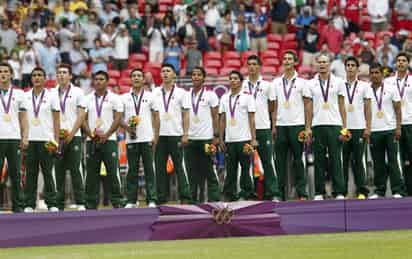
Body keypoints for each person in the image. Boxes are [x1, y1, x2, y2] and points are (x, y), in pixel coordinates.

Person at [305, 54, 346, 200]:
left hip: (335, 125)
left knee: (336, 159)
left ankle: (339, 191)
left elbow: (342, 105)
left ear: (329, 64)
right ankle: (319, 192)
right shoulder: (310, 84)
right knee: (319, 160)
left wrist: (344, 127)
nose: (322, 64)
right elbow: (308, 107)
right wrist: (308, 127)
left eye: (325, 62)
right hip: (317, 125)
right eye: (320, 62)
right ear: (317, 64)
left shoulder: (339, 82)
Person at [82, 71, 124, 209]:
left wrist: (107, 134)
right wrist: (90, 134)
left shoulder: (115, 98)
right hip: (92, 140)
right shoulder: (87, 98)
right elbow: (82, 118)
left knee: (113, 171)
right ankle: (90, 203)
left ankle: (117, 201)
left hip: (110, 140)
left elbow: (118, 118)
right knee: (91, 173)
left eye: (101, 79)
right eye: (96, 79)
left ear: (107, 82)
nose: (98, 81)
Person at [242, 55, 279, 201]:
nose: (251, 67)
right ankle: (247, 193)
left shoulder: (267, 85)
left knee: (268, 162)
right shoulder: (242, 85)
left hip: (263, 127)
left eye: (254, 64)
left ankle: (273, 192)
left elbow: (272, 107)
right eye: (249, 64)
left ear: (259, 67)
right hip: (245, 129)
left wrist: (272, 125)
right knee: (245, 163)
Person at [153, 64, 192, 204]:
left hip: (176, 134)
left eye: (168, 71)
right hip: (159, 135)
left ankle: (185, 197)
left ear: (174, 75)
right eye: (163, 71)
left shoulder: (182, 93)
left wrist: (186, 134)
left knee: (180, 167)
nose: (165, 73)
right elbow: (152, 115)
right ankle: (160, 198)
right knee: (159, 167)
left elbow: (186, 115)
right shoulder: (154, 92)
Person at [272, 51, 308, 201]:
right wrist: (273, 125)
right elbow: (273, 106)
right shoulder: (275, 83)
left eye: (289, 59)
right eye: (284, 58)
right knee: (279, 162)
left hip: (297, 125)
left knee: (299, 160)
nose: (286, 61)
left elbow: (307, 105)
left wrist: (307, 127)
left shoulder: (302, 82)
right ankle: (279, 193)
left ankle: (302, 193)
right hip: (281, 125)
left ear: (295, 62)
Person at [121, 68, 159, 208]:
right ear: (131, 79)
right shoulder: (124, 97)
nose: (136, 78)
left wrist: (156, 136)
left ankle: (152, 199)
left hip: (147, 138)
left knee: (150, 170)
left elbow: (156, 117)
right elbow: (118, 118)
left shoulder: (151, 96)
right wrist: (127, 128)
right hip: (131, 139)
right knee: (132, 170)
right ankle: (131, 200)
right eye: (134, 76)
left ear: (143, 80)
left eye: (139, 76)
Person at [23, 67, 60, 212]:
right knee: (30, 173)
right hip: (31, 139)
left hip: (47, 139)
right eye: (34, 75)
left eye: (40, 75)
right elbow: (22, 119)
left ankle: (52, 203)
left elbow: (56, 120)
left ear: (44, 78)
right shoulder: (25, 96)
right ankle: (29, 204)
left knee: (48, 172)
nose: (37, 78)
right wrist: (23, 137)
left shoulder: (52, 96)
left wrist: (56, 140)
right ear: (31, 79)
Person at [368, 63, 405, 199]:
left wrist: (398, 127)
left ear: (382, 75)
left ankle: (397, 190)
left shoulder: (391, 89)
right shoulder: (366, 89)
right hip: (374, 130)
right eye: (372, 73)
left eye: (377, 72)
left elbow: (398, 109)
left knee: (393, 160)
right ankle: (380, 190)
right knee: (378, 162)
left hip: (390, 130)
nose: (374, 75)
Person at [219, 70, 256, 201]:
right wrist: (221, 138)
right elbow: (222, 119)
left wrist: (253, 139)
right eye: (231, 78)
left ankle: (247, 193)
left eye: (235, 78)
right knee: (231, 169)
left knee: (245, 168)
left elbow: (252, 119)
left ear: (241, 81)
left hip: (244, 139)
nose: (233, 81)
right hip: (230, 139)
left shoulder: (248, 97)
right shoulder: (224, 98)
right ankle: (230, 194)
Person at [185, 66, 220, 203]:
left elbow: (216, 116)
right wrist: (185, 134)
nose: (196, 77)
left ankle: (214, 200)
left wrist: (216, 136)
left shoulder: (210, 95)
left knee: (209, 171)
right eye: (193, 74)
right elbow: (184, 116)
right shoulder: (186, 95)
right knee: (192, 173)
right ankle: (192, 201)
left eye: (199, 74)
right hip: (191, 139)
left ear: (204, 78)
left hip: (206, 139)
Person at [54, 64, 86, 211]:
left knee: (76, 169)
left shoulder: (78, 92)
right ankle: (58, 203)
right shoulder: (51, 93)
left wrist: (71, 134)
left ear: (70, 76)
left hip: (74, 136)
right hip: (56, 137)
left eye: (64, 72)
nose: (61, 75)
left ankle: (80, 202)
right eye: (59, 72)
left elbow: (81, 116)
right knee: (58, 171)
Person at [342, 57, 371, 199]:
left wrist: (367, 127)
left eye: (353, 65)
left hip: (359, 127)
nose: (350, 67)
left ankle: (362, 191)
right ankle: (342, 191)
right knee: (343, 160)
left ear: (358, 69)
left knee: (359, 160)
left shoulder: (364, 86)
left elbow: (368, 109)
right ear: (345, 68)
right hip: (344, 128)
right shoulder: (339, 85)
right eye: (348, 65)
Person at [0, 62, 27, 212]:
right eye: (0, 71)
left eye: (5, 71)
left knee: (16, 173)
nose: (3, 74)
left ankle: (19, 206)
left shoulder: (19, 94)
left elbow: (23, 118)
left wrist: (25, 137)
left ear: (11, 74)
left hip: (14, 137)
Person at [384, 52, 412, 196]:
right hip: (394, 124)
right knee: (397, 158)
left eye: (404, 61)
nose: (401, 63)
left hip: (410, 123)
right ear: (395, 63)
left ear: (408, 63)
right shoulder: (388, 82)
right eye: (399, 61)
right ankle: (400, 189)